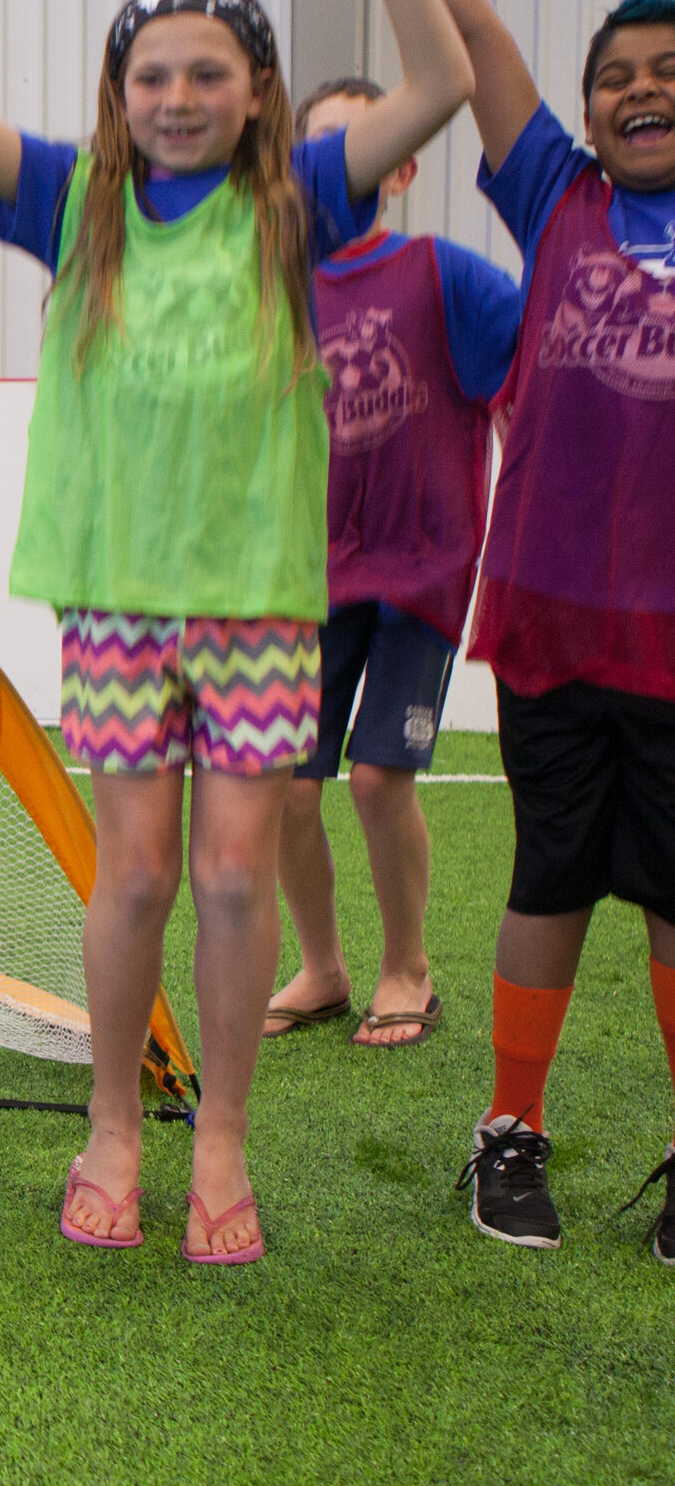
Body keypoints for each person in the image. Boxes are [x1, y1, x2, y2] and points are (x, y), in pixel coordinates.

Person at [0, 0, 473, 1262]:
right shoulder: (77, 201)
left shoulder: (300, 202)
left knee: (233, 880)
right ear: (119, 93)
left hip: (260, 605)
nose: (177, 98)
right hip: (115, 601)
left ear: (259, 90)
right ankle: (112, 1123)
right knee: (138, 877)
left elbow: (445, 86)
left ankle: (221, 1140)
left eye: (208, 72)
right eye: (152, 75)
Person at [402, 0, 675, 1259]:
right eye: (617, 73)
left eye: (669, 70)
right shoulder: (558, 200)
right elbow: (484, 43)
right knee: (551, 871)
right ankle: (511, 1131)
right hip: (556, 626)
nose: (643, 90)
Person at [262, 75, 520, 1050]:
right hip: (310, 578)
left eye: (357, 145)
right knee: (287, 782)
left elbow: (523, 389)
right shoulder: (276, 294)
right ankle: (323, 966)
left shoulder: (444, 275)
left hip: (421, 572)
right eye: (313, 150)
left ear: (400, 165)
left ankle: (405, 964)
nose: (331, 168)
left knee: (377, 777)